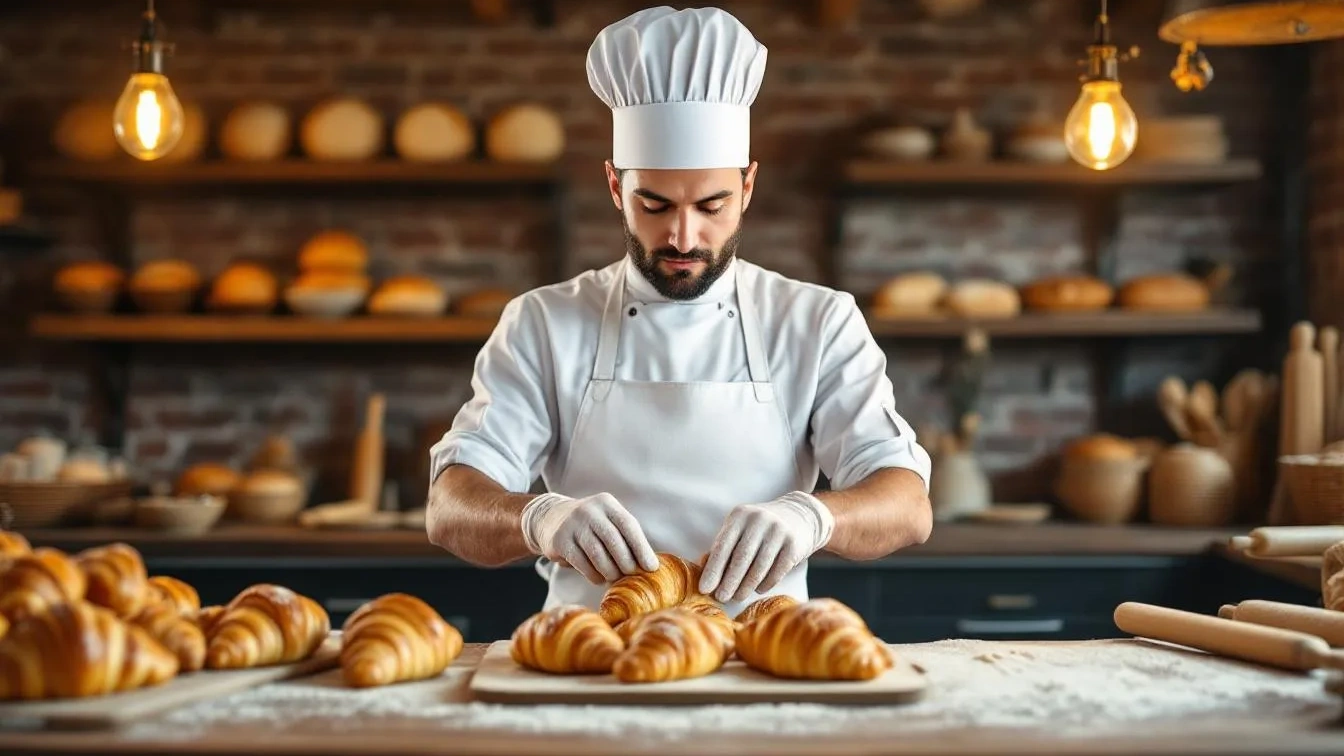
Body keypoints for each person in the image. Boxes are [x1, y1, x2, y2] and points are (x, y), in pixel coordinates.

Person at [426, 5, 932, 619]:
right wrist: (539, 518)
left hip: (760, 653)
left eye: (712, 206)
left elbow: (907, 505)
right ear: (616, 186)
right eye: (656, 204)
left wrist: (814, 516)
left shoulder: (818, 322)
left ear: (748, 186)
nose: (684, 237)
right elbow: (449, 506)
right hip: (590, 656)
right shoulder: (542, 323)